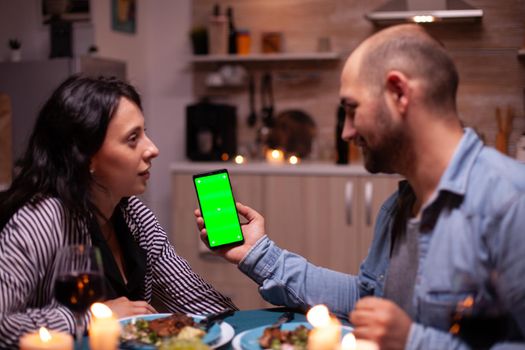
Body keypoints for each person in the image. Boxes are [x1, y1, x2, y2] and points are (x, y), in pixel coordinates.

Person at [196, 24, 525, 349]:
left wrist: (413, 341)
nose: (346, 133)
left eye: (352, 110)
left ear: (399, 93)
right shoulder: (397, 208)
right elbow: (367, 300)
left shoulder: (511, 202)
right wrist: (258, 254)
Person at [0, 75, 236, 348]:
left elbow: (195, 300)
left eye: (145, 132)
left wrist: (252, 259)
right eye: (133, 138)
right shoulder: (43, 218)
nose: (153, 149)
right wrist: (95, 317)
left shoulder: (134, 213)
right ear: (88, 157)